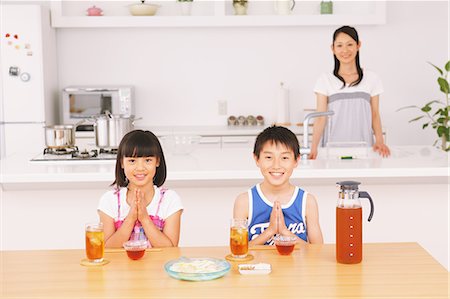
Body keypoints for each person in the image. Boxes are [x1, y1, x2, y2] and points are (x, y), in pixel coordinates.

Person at [309, 25, 390, 159]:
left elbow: (375, 114)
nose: (345, 50)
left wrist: (380, 141)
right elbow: (320, 118)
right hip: (331, 151)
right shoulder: (325, 79)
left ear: (358, 45)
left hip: (364, 150)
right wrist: (313, 148)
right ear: (332, 48)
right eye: (339, 45)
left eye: (350, 44)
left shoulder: (372, 78)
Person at [233, 125, 324, 245]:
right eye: (269, 157)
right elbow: (238, 250)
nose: (276, 165)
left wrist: (284, 232)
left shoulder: (307, 201)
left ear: (296, 160)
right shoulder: (244, 201)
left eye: (285, 157)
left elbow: (318, 251)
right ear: (256, 159)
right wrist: (270, 231)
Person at [98, 130, 183, 248]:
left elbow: (170, 249)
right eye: (132, 161)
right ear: (122, 163)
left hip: (157, 266)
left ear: (157, 161)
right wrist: (131, 218)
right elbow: (107, 249)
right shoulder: (109, 200)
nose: (140, 168)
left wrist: (144, 217)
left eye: (148, 160)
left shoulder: (170, 199)